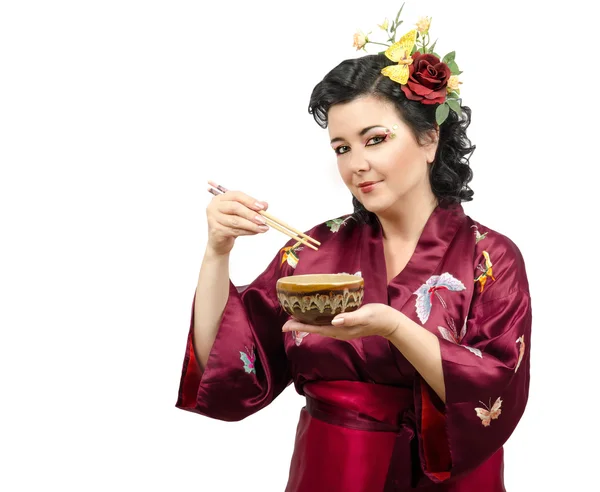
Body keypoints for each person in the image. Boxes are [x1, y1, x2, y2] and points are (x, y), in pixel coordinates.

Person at [175, 7, 531, 491]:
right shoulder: (314, 249)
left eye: (375, 140)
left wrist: (395, 327)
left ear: (429, 138)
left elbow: (496, 387)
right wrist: (218, 251)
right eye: (341, 148)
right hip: (333, 468)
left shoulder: (491, 257)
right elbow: (230, 363)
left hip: (447, 475)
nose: (356, 164)